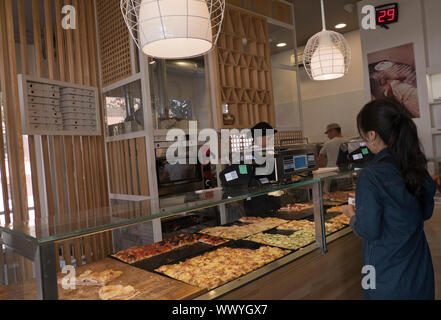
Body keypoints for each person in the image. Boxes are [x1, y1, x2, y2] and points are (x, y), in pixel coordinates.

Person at [342, 99, 436, 300]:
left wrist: (352, 214)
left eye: (364, 137)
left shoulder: (370, 176)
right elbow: (425, 211)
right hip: (419, 269)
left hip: (384, 273)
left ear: (373, 135)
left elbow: (368, 229)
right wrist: (367, 200)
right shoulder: (415, 165)